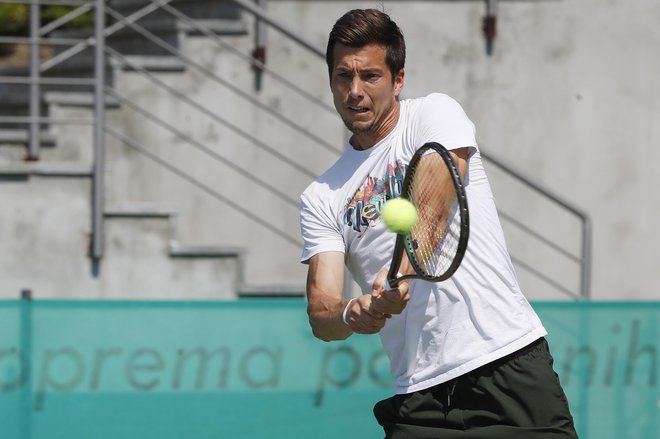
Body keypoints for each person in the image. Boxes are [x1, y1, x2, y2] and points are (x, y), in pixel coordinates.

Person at [299, 8, 578, 439]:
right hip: (418, 398)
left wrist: (398, 279)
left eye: (370, 76)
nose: (354, 91)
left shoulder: (434, 114)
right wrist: (356, 311)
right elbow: (321, 312)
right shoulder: (322, 196)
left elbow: (433, 204)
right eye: (342, 76)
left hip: (505, 361)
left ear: (398, 79)